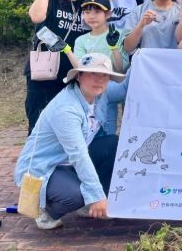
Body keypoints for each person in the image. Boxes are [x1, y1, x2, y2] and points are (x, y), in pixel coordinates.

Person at [14, 54, 126, 230]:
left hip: (67, 162)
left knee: (113, 143)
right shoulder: (66, 109)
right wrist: (96, 195)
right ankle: (44, 209)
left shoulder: (98, 97)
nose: (99, 80)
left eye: (104, 75)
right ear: (79, 76)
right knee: (76, 195)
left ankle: (90, 204)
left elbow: (126, 88)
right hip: (45, 167)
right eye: (92, 73)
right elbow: (79, 155)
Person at [25, 0, 98, 133]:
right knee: (39, 122)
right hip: (45, 71)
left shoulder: (88, 4)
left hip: (73, 72)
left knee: (67, 122)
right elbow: (36, 17)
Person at [63, 0, 129, 135]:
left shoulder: (117, 33)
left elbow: (120, 69)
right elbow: (80, 69)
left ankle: (100, 135)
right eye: (87, 12)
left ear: (108, 14)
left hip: (117, 84)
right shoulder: (81, 40)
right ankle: (104, 138)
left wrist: (113, 47)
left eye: (97, 12)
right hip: (96, 85)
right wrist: (67, 50)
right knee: (96, 92)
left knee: (101, 90)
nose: (91, 16)